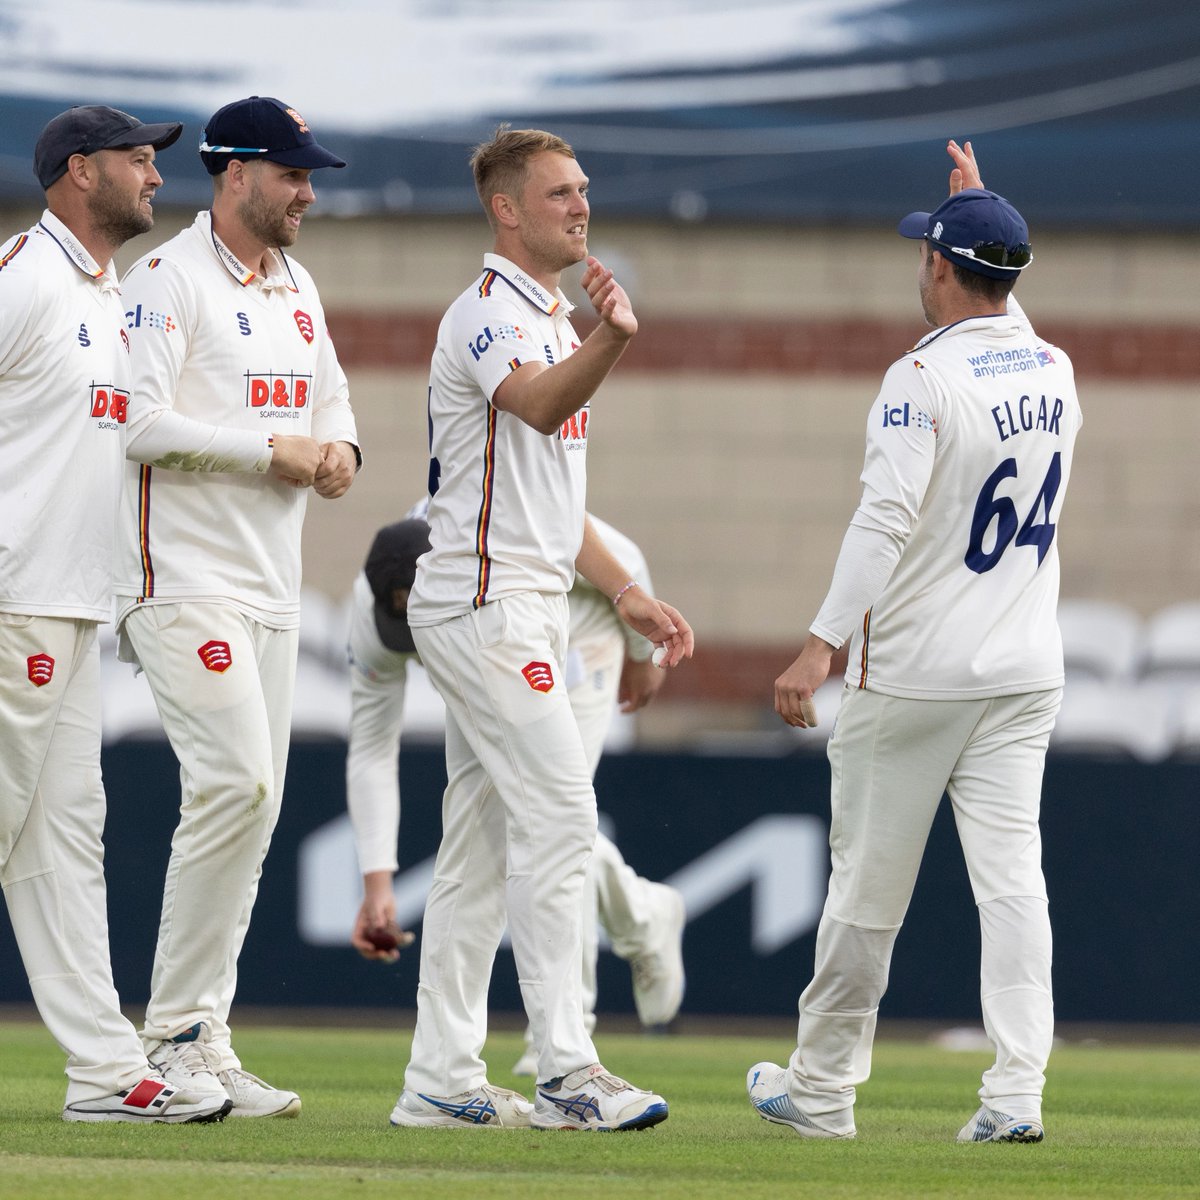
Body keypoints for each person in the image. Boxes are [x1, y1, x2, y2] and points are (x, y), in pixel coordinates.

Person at [747, 140, 1081, 1144]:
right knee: (1014, 883)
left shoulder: (918, 379)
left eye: (926, 255)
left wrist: (820, 648)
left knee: (866, 892)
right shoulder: (1055, 365)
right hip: (1024, 671)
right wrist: (979, 210)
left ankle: (820, 1092)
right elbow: (1003, 306)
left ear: (940, 266)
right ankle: (1016, 1094)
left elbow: (882, 524)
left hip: (920, 674)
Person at [392, 126, 694, 1132]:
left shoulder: (555, 319)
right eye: (559, 193)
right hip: (482, 604)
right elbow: (531, 409)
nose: (582, 205)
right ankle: (567, 1071)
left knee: (478, 849)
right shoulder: (487, 315)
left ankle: (440, 1076)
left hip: (523, 598)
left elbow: (554, 507)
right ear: (506, 210)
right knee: (563, 820)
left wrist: (624, 591)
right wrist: (613, 337)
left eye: (584, 189)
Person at [110, 96, 360, 1119]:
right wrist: (275, 450)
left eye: (309, 176)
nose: (307, 192)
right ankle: (171, 1038)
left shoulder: (298, 284)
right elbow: (139, 423)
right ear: (236, 172)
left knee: (252, 814)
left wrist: (338, 447)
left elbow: (330, 395)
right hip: (178, 578)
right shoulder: (165, 280)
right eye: (293, 173)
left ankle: (205, 1035)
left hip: (269, 583)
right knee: (239, 787)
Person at [0, 105, 230, 1123]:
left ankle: (102, 1072)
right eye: (137, 160)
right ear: (77, 171)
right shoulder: (27, 278)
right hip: (15, 601)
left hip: (70, 607)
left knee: (62, 842)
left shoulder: (105, 292)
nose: (153, 177)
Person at [345, 512, 687, 1074]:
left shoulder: (497, 518)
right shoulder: (371, 611)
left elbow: (622, 556)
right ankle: (647, 917)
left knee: (548, 816)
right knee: (524, 818)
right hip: (486, 640)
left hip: (581, 634)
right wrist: (376, 882)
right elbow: (372, 748)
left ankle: (557, 1037)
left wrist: (639, 652)